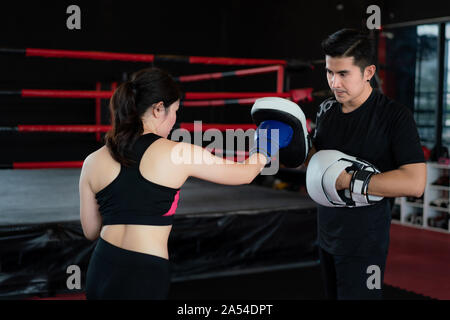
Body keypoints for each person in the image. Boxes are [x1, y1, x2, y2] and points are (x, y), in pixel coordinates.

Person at [79, 67, 294, 299]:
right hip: (143, 273)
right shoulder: (178, 152)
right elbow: (245, 173)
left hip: (101, 267)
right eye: (175, 111)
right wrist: (267, 142)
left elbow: (91, 231)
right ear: (158, 108)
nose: (174, 121)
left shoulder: (92, 161)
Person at [305, 29, 427, 300]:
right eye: (329, 72)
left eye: (343, 74)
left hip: (365, 243)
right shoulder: (327, 111)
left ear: (368, 72)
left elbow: (415, 183)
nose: (334, 83)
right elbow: (316, 162)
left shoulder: (394, 116)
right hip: (326, 234)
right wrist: (290, 145)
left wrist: (349, 180)